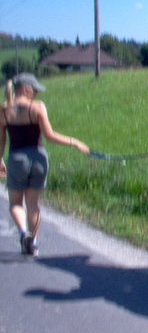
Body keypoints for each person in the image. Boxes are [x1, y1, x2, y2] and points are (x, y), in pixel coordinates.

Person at [0, 73, 90, 255]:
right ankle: (33, 242)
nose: (36, 94)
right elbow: (50, 135)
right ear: (25, 89)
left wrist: (0, 159)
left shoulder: (4, 110)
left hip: (17, 159)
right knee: (33, 205)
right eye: (34, 90)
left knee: (16, 203)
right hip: (39, 159)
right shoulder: (37, 107)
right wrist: (75, 142)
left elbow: (1, 141)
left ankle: (23, 233)